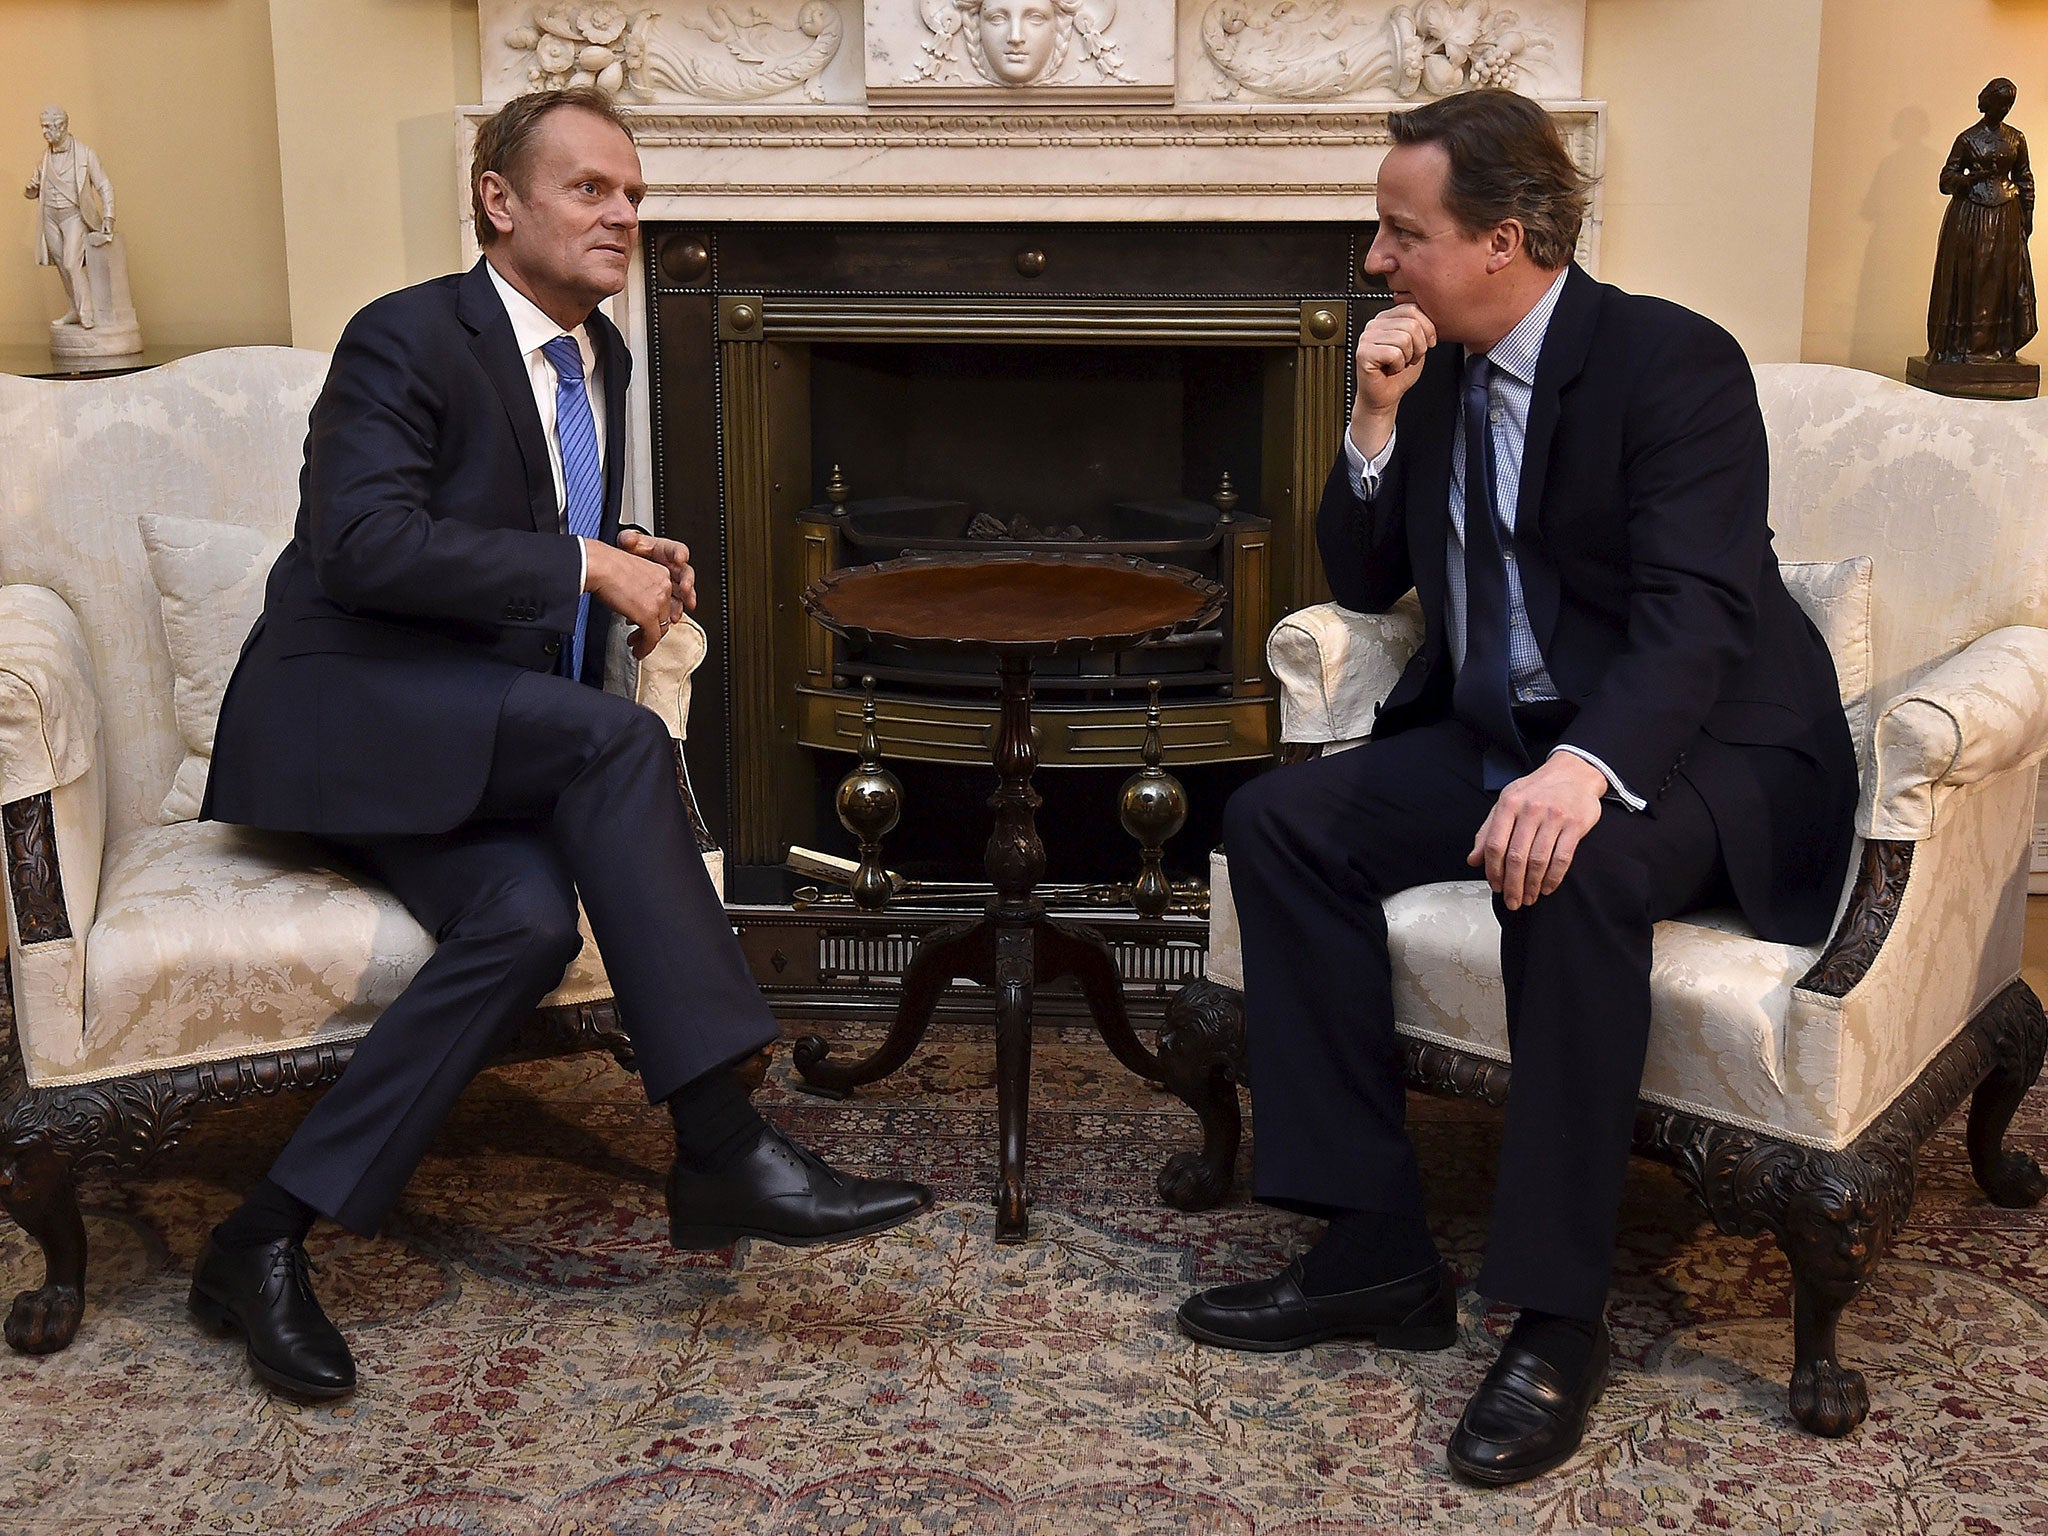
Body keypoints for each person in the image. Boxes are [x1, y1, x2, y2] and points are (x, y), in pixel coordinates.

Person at [194, 88, 931, 1401]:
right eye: (591, 189)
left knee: (525, 926)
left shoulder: (607, 357)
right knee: (616, 746)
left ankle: (258, 1238)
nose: (625, 217)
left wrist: (620, 550)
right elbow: (362, 546)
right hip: (349, 714)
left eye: (635, 196)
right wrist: (578, 563)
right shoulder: (405, 337)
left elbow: (523, 525)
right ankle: (717, 1138)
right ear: (499, 198)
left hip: (476, 731)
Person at [1175, 90, 1857, 1486]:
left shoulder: (1673, 365)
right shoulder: (1439, 374)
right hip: (1500, 730)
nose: (1375, 259)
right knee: (1280, 823)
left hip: (1700, 746)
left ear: (1506, 237)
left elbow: (1693, 619)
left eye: (1400, 231)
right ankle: (1372, 1245)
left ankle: (1557, 1318)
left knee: (1575, 865)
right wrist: (1374, 418)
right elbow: (1367, 581)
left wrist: (1586, 771)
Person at [1926, 77, 2036, 365]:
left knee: (2001, 279)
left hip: (2005, 217)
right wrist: (1967, 180)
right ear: (1987, 103)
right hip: (1971, 216)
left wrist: (2027, 214)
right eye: (2001, 103)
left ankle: (1999, 347)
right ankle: (1960, 348)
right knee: (1971, 277)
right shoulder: (1967, 139)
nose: (2005, 109)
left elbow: (2024, 178)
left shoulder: (2016, 138)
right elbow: (1945, 179)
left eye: (2009, 104)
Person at [23, 105, 113, 330]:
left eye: (47, 127)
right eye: (42, 127)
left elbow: (103, 185)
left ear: (61, 126)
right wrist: (31, 188)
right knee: (62, 265)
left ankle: (87, 312)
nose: (44, 132)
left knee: (72, 263)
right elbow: (33, 191)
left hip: (73, 215)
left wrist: (109, 217)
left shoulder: (85, 154)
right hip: (50, 216)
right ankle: (75, 309)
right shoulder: (44, 158)